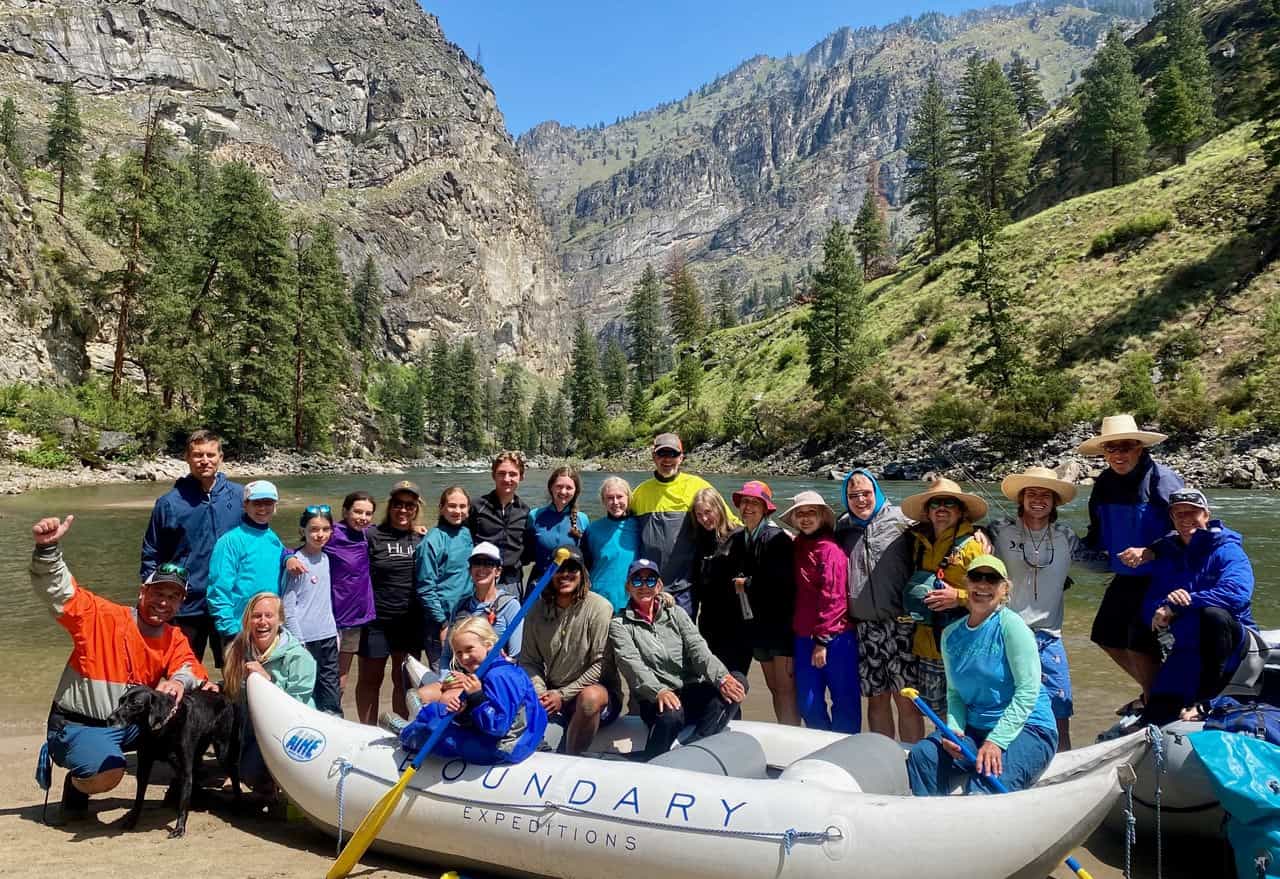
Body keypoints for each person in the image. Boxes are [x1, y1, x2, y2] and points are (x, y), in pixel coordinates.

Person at [32, 514, 208, 820]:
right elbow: (60, 592)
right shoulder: (100, 617)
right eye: (158, 593)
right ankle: (78, 783)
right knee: (108, 773)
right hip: (79, 725)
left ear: (180, 604)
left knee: (194, 716)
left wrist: (179, 681)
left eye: (173, 597)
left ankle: (183, 787)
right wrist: (48, 550)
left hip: (127, 724)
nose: (163, 602)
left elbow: (191, 667)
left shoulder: (173, 637)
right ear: (142, 592)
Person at [906, 556, 1059, 795]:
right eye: (977, 577)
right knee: (922, 756)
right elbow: (955, 693)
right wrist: (954, 730)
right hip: (975, 731)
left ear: (1004, 588)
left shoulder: (1012, 626)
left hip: (1029, 728)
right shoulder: (950, 635)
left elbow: (1028, 690)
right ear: (967, 583)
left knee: (983, 785)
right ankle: (932, 814)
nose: (983, 584)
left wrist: (996, 741)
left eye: (992, 579)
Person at [989, 466, 1108, 751]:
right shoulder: (997, 530)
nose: (1038, 499)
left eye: (1046, 495)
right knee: (1003, 710)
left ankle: (1063, 763)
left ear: (1055, 502)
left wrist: (1144, 556)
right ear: (1021, 498)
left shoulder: (1065, 536)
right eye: (1031, 493)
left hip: (1049, 638)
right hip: (1006, 635)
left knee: (1060, 710)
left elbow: (1100, 564)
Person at [1120, 489, 1258, 725]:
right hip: (1186, 650)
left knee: (1213, 615)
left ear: (1206, 515)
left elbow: (1237, 594)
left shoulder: (1228, 550)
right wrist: (1160, 609)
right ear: (1172, 519)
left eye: (1193, 512)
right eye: (1179, 514)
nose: (1186, 519)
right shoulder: (1168, 554)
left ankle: (1207, 701)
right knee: (1155, 719)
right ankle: (1149, 699)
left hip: (1232, 648)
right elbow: (1153, 600)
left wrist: (1183, 604)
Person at [1077, 414, 1184, 712]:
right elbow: (1097, 533)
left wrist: (1150, 551)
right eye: (1111, 448)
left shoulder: (1162, 479)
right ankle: (1159, 693)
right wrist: (1064, 549)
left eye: (1125, 447)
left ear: (1139, 447)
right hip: (1127, 575)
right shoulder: (1103, 484)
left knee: (1139, 642)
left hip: (1163, 574)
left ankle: (1155, 702)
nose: (1118, 454)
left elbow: (1187, 528)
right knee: (1105, 635)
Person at [609, 559, 748, 760]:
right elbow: (632, 665)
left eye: (650, 580)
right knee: (672, 713)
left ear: (659, 585)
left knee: (738, 681)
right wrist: (659, 691)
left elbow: (698, 648)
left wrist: (722, 678)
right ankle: (653, 758)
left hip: (689, 691)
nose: (644, 586)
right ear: (628, 587)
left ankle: (696, 744)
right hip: (655, 699)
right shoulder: (619, 624)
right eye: (637, 581)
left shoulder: (676, 613)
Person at [140, 429, 244, 669]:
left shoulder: (240, 497)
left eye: (210, 454)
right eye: (198, 455)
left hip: (229, 600)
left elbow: (255, 541)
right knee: (182, 670)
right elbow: (151, 551)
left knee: (235, 671)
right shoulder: (170, 502)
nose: (204, 460)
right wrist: (151, 594)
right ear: (187, 458)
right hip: (185, 603)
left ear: (220, 457)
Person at [834, 469, 919, 742]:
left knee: (906, 700)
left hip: (901, 625)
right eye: (853, 495)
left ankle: (912, 757)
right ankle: (884, 756)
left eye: (866, 493)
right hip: (864, 629)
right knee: (876, 699)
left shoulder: (902, 520)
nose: (860, 500)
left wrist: (981, 533)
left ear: (877, 492)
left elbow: (940, 533)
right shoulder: (843, 527)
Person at [399, 617, 547, 766]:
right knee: (438, 710)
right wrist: (464, 712)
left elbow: (498, 726)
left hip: (505, 747)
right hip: (512, 738)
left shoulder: (498, 676)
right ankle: (416, 723)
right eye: (458, 653)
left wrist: (476, 697)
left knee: (434, 728)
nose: (464, 657)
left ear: (489, 645)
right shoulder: (494, 670)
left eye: (469, 649)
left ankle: (406, 734)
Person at [517, 546, 621, 755]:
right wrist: (541, 694)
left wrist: (563, 695)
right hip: (551, 691)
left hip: (596, 693)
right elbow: (529, 661)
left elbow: (601, 664)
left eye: (572, 569)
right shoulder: (535, 611)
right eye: (559, 569)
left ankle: (572, 757)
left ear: (583, 573)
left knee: (590, 698)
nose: (565, 575)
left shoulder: (600, 608)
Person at [900, 477, 990, 716]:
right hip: (926, 646)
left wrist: (958, 597)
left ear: (961, 511)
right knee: (935, 714)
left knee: (968, 714)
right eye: (935, 503)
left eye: (949, 503)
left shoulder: (975, 546)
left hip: (965, 648)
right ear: (927, 512)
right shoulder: (916, 541)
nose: (941, 508)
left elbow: (999, 597)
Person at [630, 432, 736, 619]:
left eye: (673, 454)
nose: (667, 459)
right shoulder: (640, 492)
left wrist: (768, 530)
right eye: (662, 454)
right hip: (649, 585)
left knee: (683, 633)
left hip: (685, 586)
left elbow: (730, 521)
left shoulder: (698, 486)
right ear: (654, 457)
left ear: (681, 457)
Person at [779, 491, 858, 733]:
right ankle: (820, 744)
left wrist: (822, 640)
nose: (805, 518)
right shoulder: (798, 545)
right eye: (800, 514)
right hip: (803, 635)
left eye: (811, 513)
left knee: (844, 700)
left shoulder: (830, 550)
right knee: (808, 702)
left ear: (822, 516)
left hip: (835, 637)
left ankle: (845, 748)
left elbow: (835, 598)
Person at [222, 593, 317, 795]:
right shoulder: (235, 651)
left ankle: (282, 783)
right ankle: (263, 780)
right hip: (254, 730)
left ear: (280, 620)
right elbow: (233, 697)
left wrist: (267, 683)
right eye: (256, 616)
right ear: (248, 620)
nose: (262, 622)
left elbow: (296, 707)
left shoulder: (300, 657)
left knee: (260, 771)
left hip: (293, 730)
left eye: (269, 615)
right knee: (247, 772)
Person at [725, 481, 799, 725]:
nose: (747, 507)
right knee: (774, 688)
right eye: (744, 502)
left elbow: (783, 583)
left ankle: (791, 735)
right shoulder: (741, 537)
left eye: (754, 503)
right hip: (757, 627)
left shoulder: (777, 539)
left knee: (786, 690)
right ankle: (785, 732)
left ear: (766, 508)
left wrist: (745, 583)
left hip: (780, 627)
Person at [357, 480, 425, 724]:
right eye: (398, 504)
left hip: (410, 621)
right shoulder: (372, 535)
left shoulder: (421, 538)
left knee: (403, 681)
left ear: (416, 508)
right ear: (390, 505)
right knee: (369, 680)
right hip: (376, 620)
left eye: (409, 505)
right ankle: (367, 730)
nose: (403, 509)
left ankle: (400, 730)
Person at [281, 505, 341, 714]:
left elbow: (324, 600)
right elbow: (288, 607)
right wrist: (298, 642)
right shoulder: (297, 563)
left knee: (332, 694)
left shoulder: (326, 558)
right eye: (314, 529)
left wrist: (335, 633)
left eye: (325, 529)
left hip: (328, 636)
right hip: (305, 640)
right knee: (307, 694)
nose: (320, 534)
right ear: (302, 531)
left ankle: (335, 726)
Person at [207, 480, 285, 640]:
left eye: (268, 503)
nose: (262, 508)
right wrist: (230, 628)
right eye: (257, 503)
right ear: (245, 505)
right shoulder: (230, 541)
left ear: (275, 506)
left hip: (270, 627)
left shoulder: (274, 539)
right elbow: (218, 589)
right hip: (239, 628)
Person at [416, 486, 474, 672]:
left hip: (466, 616)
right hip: (440, 622)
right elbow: (425, 587)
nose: (457, 511)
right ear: (441, 508)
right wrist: (442, 623)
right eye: (452, 506)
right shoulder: (432, 541)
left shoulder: (467, 534)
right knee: (443, 675)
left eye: (462, 506)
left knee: (467, 673)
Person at [327, 492, 377, 702]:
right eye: (357, 512)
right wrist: (289, 558)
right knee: (323, 674)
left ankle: (334, 713)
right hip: (331, 618)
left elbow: (391, 532)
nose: (363, 517)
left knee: (341, 677)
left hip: (356, 619)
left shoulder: (368, 535)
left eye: (368, 513)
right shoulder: (331, 534)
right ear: (345, 511)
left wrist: (415, 529)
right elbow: (302, 548)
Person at [689, 486, 743, 670]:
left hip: (736, 622)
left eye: (708, 512)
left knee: (734, 676)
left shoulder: (739, 536)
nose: (704, 519)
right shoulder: (698, 540)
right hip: (708, 620)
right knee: (712, 676)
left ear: (719, 508)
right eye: (699, 515)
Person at [468, 451, 532, 596]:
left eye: (513, 474)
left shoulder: (525, 511)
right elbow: (459, 535)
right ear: (493, 475)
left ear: (521, 476)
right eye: (501, 473)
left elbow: (528, 549)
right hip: (480, 579)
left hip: (512, 582)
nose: (507, 479)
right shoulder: (477, 507)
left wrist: (515, 562)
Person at [524, 466, 589, 594]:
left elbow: (586, 558)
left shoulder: (582, 520)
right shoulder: (535, 516)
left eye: (569, 488)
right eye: (559, 486)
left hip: (569, 586)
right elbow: (527, 553)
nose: (563, 491)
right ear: (551, 487)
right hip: (540, 585)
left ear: (576, 491)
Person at [581, 476, 639, 611]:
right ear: (603, 500)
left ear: (628, 498)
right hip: (598, 599)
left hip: (631, 600)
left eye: (620, 497)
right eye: (610, 498)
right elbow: (585, 566)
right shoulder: (592, 529)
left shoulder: (640, 527)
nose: (615, 502)